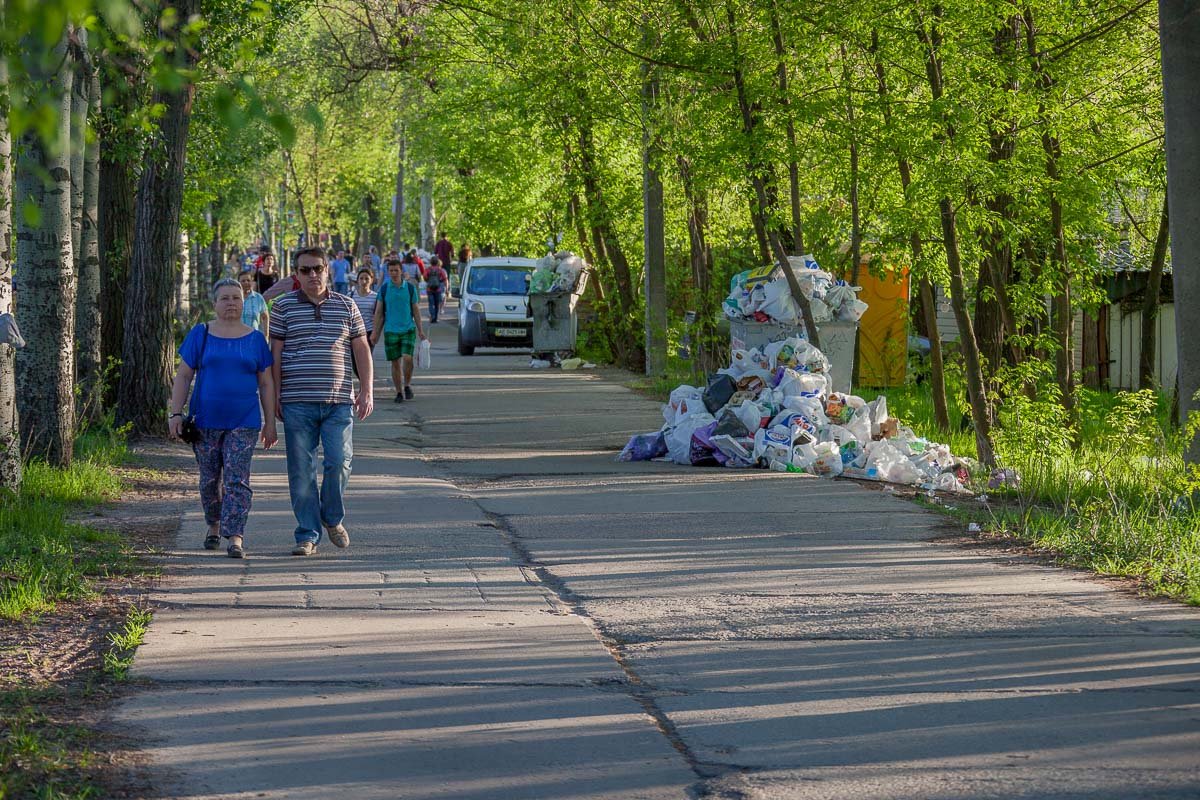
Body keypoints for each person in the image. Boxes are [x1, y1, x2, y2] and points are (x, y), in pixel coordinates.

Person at [270, 247, 374, 557]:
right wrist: (274, 396)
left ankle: (331, 516)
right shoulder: (283, 307)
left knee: (339, 461)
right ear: (296, 275)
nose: (313, 275)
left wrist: (367, 390)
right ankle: (307, 534)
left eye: (318, 268)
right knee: (301, 471)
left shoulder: (346, 305)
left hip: (338, 401)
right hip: (296, 401)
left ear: (328, 270)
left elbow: (361, 349)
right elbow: (275, 355)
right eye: (305, 270)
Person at [168, 278, 276, 559]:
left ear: (244, 303)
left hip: (244, 421)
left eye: (236, 298)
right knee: (209, 480)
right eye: (225, 298)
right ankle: (214, 525)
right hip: (205, 421)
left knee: (237, 479)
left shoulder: (255, 340)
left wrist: (270, 422)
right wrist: (175, 414)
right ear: (215, 303)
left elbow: (266, 383)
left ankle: (236, 536)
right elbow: (183, 376)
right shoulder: (201, 333)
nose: (231, 303)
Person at [371, 259, 426, 403]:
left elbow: (416, 310)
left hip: (408, 329)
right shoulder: (384, 289)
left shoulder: (410, 288)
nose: (394, 273)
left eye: (396, 270)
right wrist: (375, 332)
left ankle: (407, 385)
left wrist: (420, 330)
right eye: (391, 271)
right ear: (388, 272)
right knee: (395, 362)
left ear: (401, 271)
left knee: (408, 358)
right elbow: (379, 312)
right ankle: (399, 392)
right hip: (391, 330)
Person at [349, 268, 378, 350]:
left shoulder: (376, 297)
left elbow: (378, 316)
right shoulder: (350, 295)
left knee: (367, 356)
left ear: (371, 280)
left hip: (369, 331)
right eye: (361, 278)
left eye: (366, 279)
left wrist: (375, 332)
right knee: (353, 357)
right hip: (354, 332)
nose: (364, 281)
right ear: (357, 280)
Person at [237, 270, 269, 336]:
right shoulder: (234, 298)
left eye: (248, 280)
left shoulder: (258, 298)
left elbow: (265, 317)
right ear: (238, 283)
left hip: (253, 337)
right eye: (243, 281)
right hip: (237, 337)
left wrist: (266, 335)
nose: (246, 282)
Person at [425, 257, 448, 323]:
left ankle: (432, 316)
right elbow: (444, 278)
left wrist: (428, 281)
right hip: (438, 289)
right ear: (437, 262)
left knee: (431, 304)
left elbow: (424, 276)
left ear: (431, 262)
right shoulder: (440, 270)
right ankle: (435, 318)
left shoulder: (428, 269)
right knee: (436, 304)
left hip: (429, 289)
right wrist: (440, 281)